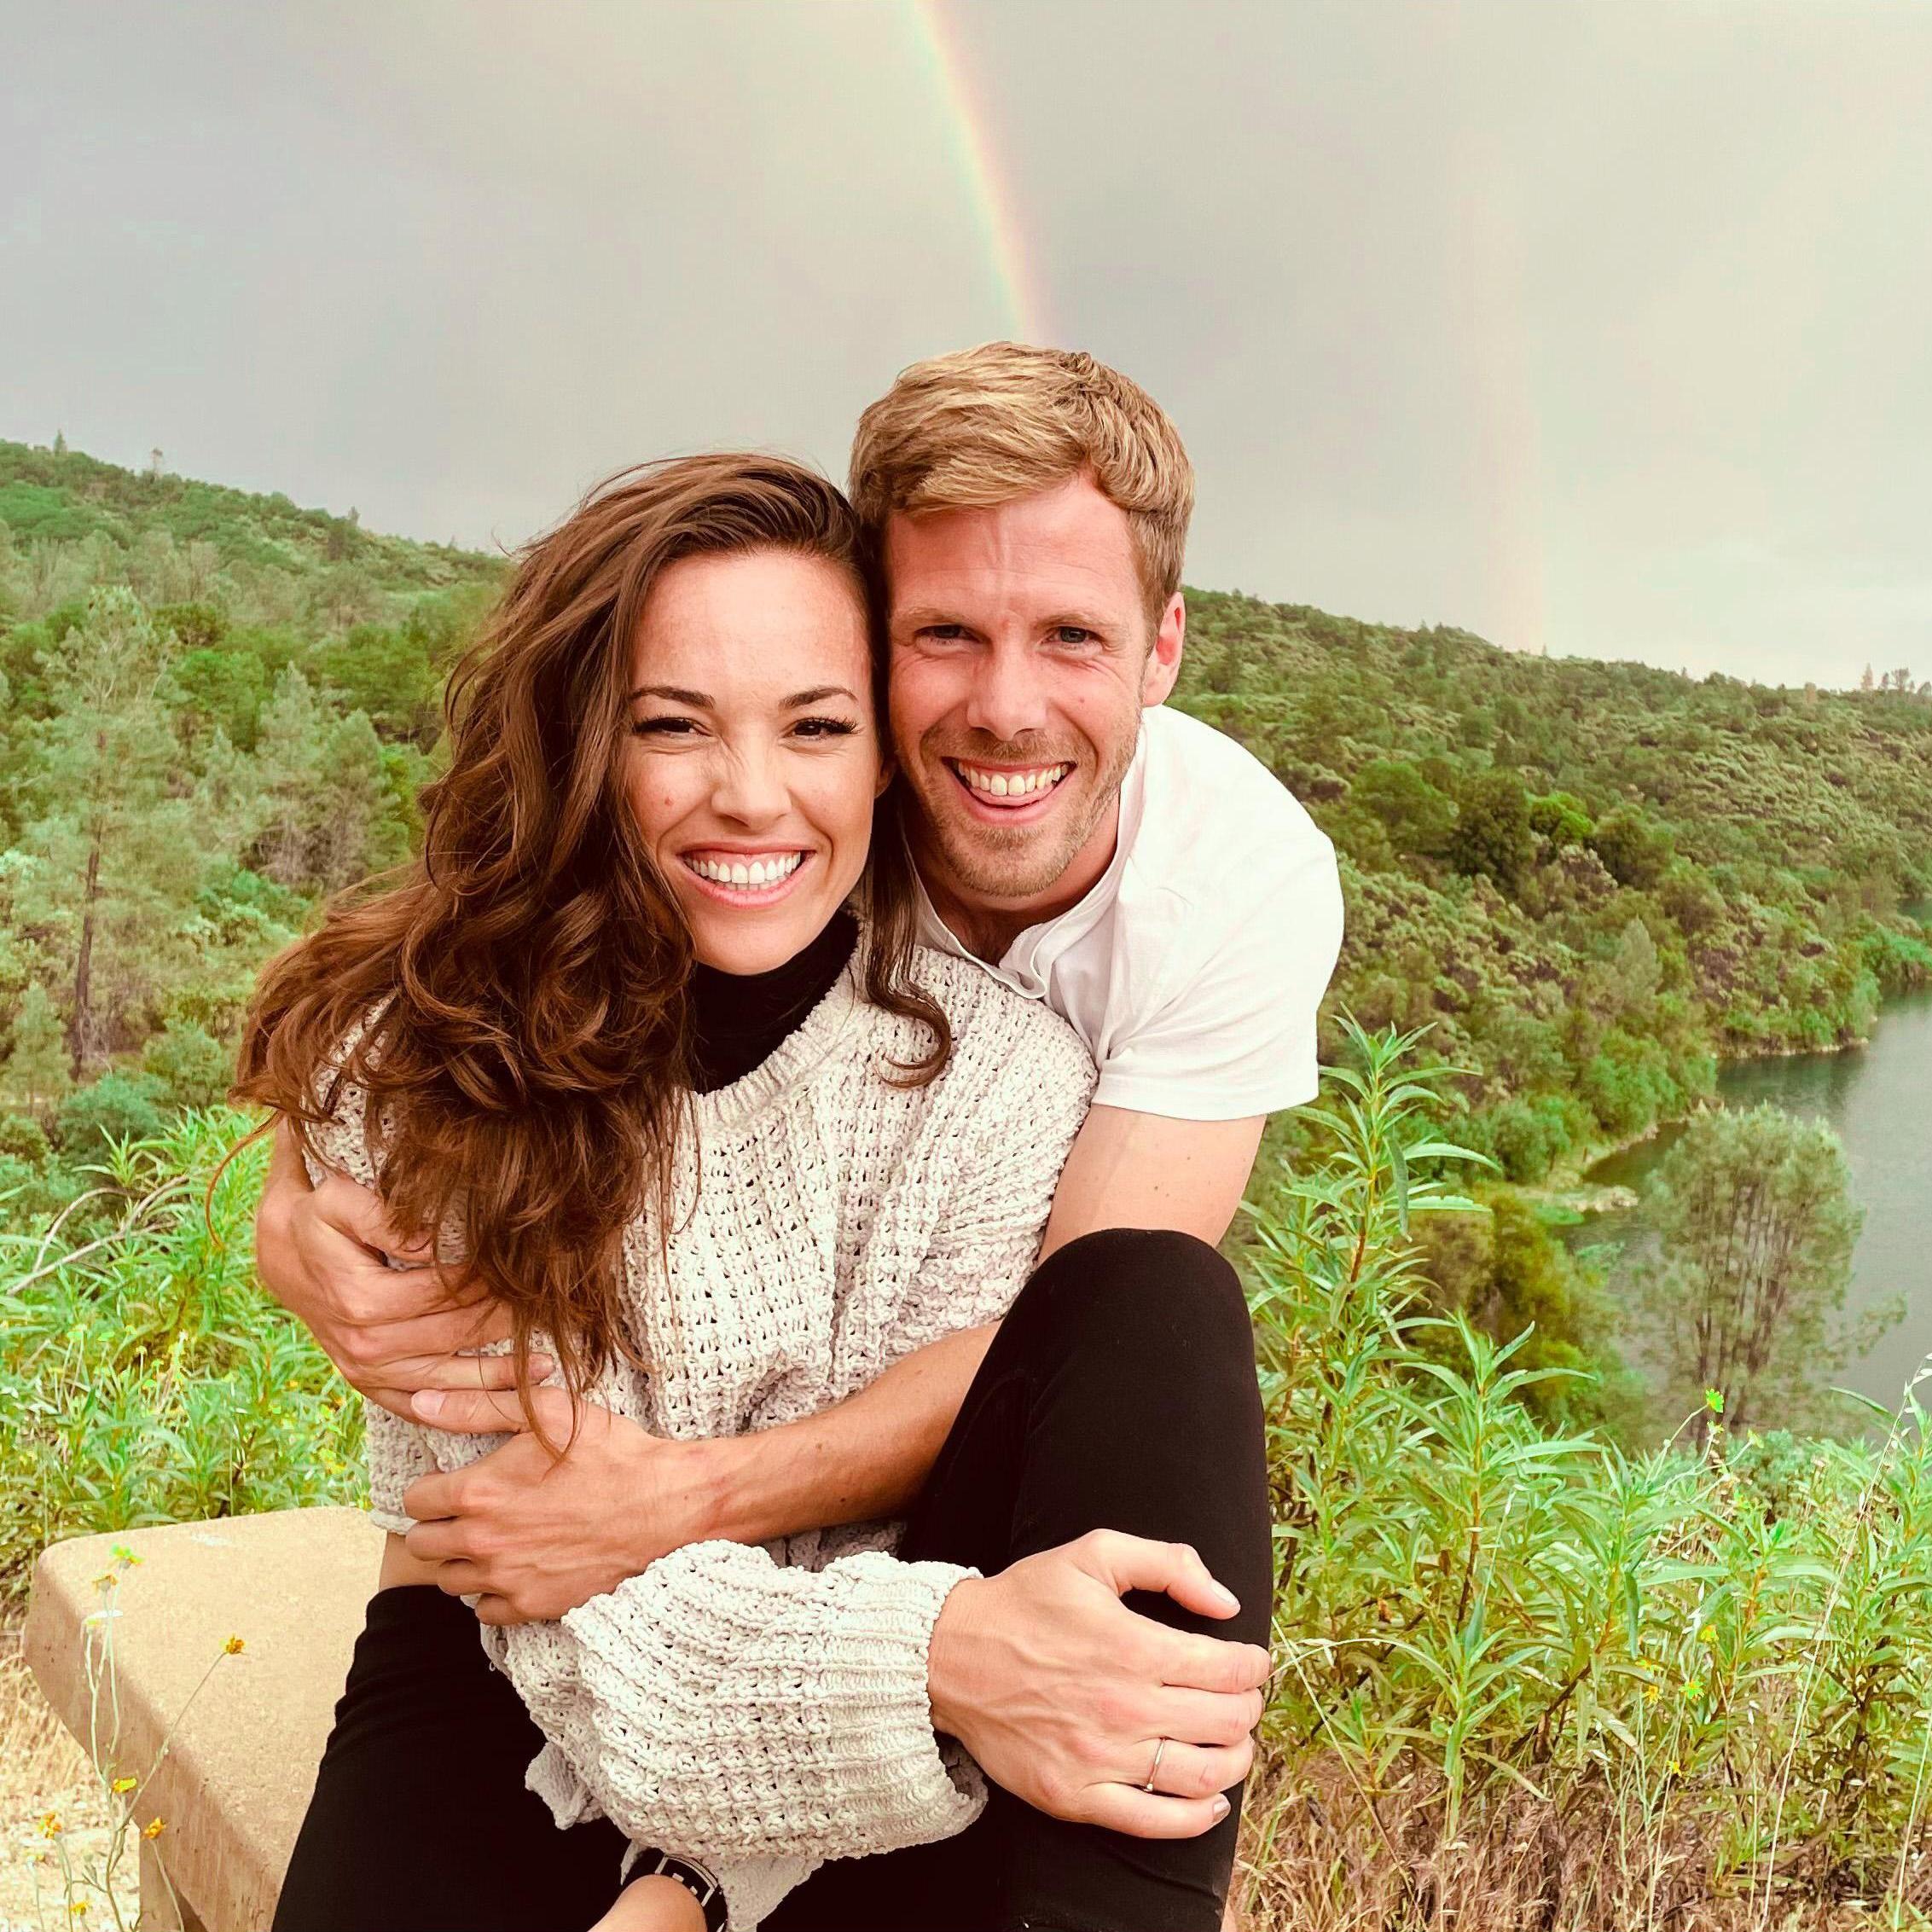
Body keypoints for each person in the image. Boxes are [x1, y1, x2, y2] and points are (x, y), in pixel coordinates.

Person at [254, 345, 1345, 1926]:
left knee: (1155, 1304)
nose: (1002, 705)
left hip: (888, 1612)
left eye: (1072, 637)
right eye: (674, 727)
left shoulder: (1086, 1002)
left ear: (1162, 650)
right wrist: (295, 1187)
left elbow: (1030, 1379)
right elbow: (543, 1571)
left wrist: (704, 1873)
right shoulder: (454, 1043)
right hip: (551, 1646)